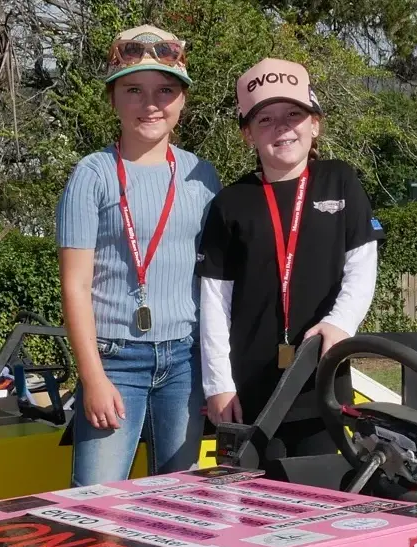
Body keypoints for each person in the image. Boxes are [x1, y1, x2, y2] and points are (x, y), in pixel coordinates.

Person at [55, 25, 221, 486]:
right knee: (96, 502)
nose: (150, 104)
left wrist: (215, 371)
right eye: (134, 90)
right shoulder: (92, 174)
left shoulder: (202, 176)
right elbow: (76, 285)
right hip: (115, 361)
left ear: (182, 102)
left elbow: (215, 280)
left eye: (165, 90)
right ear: (113, 99)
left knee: (181, 500)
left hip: (184, 364)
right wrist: (92, 378)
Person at [197, 57, 384, 456]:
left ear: (314, 124)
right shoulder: (229, 203)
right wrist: (218, 384)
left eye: (293, 114)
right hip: (249, 393)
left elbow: (362, 265)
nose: (281, 127)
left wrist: (340, 322)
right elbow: (214, 302)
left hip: (322, 382)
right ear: (248, 134)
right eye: (265, 120)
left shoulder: (340, 180)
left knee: (319, 500)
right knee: (252, 508)